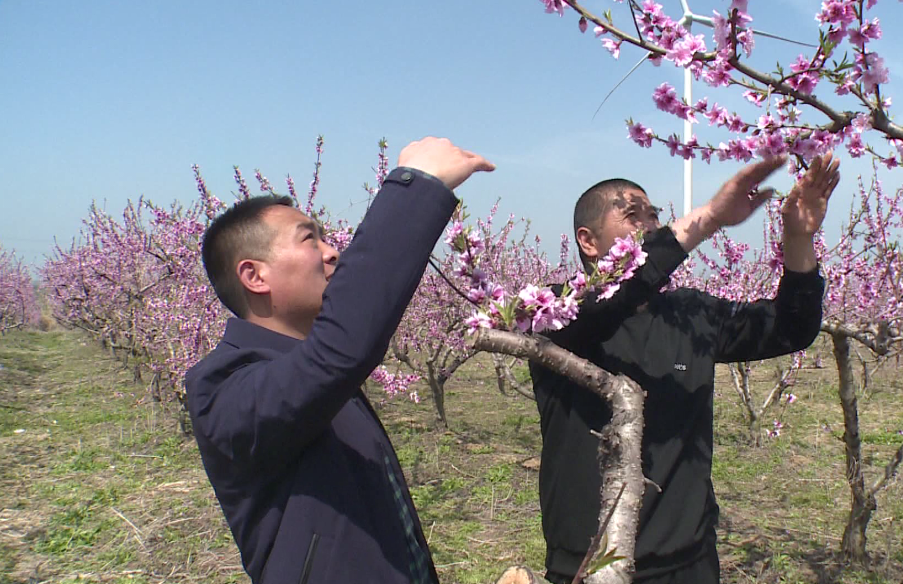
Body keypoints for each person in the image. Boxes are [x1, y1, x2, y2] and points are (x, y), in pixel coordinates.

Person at [184, 137, 494, 584]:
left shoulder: (319, 371)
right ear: (254, 276)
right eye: (310, 239)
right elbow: (339, 351)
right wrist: (417, 187)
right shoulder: (223, 389)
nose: (332, 251)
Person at [531, 153, 840, 584]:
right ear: (588, 240)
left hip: (688, 559)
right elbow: (616, 295)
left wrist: (797, 239)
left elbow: (792, 328)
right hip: (587, 563)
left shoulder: (690, 314)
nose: (652, 225)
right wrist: (710, 217)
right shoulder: (555, 312)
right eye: (633, 215)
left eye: (655, 214)